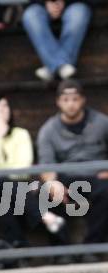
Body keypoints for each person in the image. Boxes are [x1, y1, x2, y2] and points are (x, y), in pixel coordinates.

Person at [0, 94, 64, 257]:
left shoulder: (21, 134)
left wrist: (5, 174)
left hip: (13, 189)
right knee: (0, 184)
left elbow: (24, 169)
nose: (1, 111)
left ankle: (18, 244)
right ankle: (45, 217)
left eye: (5, 106)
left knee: (3, 200)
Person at [37, 79, 108, 260]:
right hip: (66, 178)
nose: (71, 104)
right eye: (66, 99)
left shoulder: (102, 122)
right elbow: (46, 164)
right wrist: (53, 184)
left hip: (97, 177)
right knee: (46, 193)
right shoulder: (48, 130)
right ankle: (62, 252)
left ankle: (91, 249)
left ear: (83, 100)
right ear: (58, 102)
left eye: (75, 99)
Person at [22, 0, 92, 81]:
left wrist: (63, 2)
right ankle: (61, 65)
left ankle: (52, 66)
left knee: (79, 14)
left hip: (74, 4)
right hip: (40, 5)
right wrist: (46, 3)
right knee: (31, 15)